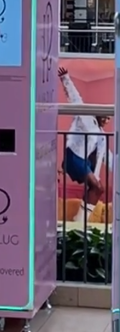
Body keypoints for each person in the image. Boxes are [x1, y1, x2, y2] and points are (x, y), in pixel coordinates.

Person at [58, 66, 113, 222]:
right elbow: (76, 101)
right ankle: (79, 222)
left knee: (98, 189)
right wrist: (66, 79)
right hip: (74, 157)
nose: (107, 120)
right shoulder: (86, 118)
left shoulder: (101, 136)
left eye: (109, 118)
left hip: (84, 162)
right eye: (105, 116)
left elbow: (107, 158)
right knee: (97, 187)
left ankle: (79, 221)